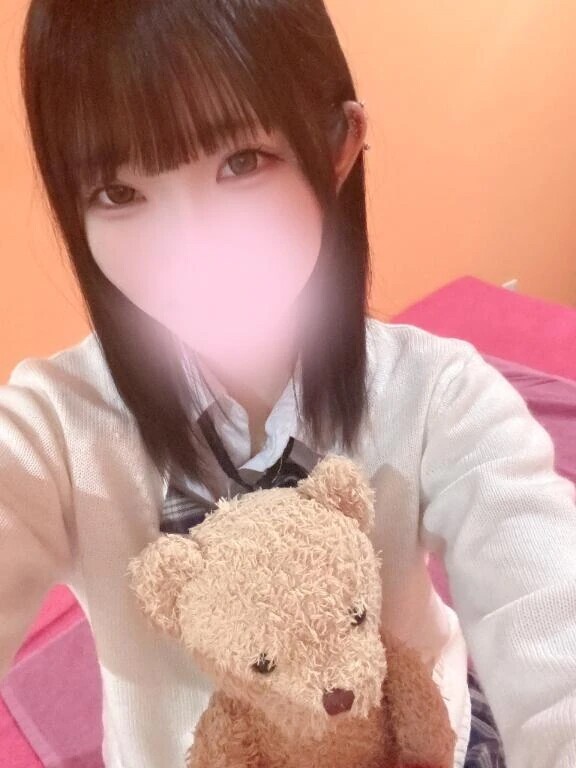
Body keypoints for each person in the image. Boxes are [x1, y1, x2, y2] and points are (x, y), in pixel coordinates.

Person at [2, 1, 575, 766]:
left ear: (338, 146)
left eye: (242, 161)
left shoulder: (439, 396)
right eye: (118, 192)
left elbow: (550, 614)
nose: (191, 251)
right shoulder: (52, 429)